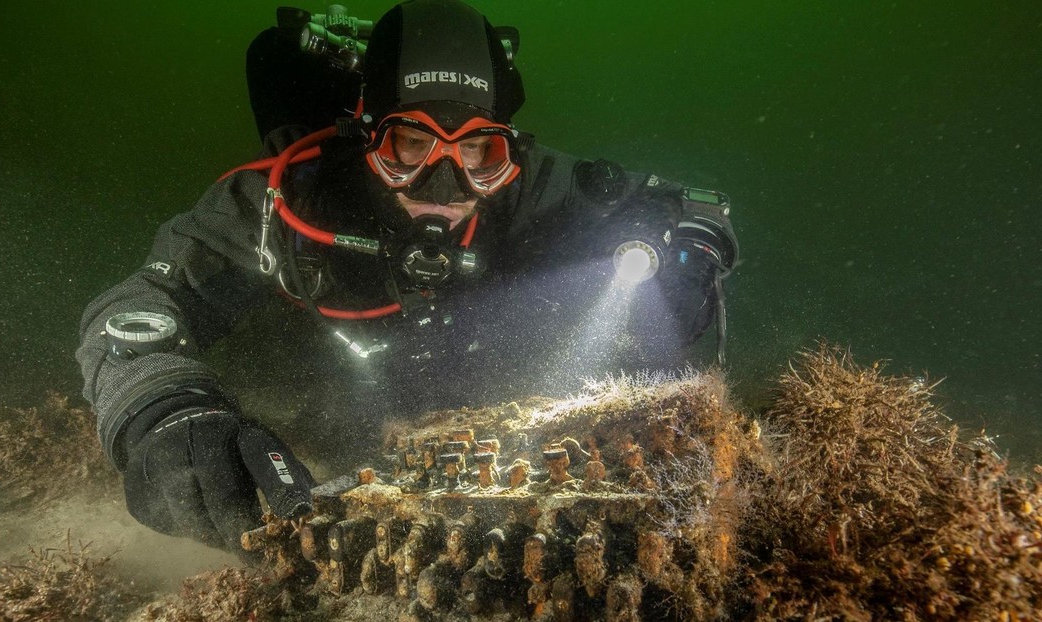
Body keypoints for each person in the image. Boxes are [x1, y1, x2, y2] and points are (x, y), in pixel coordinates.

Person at [76, 0, 738, 554]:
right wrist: (162, 410)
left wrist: (688, 260)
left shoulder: (536, 189)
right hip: (321, 381)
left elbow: (692, 207)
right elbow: (141, 303)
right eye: (410, 146)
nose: (445, 186)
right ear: (365, 136)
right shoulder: (287, 202)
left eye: (479, 151)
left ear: (509, 153)